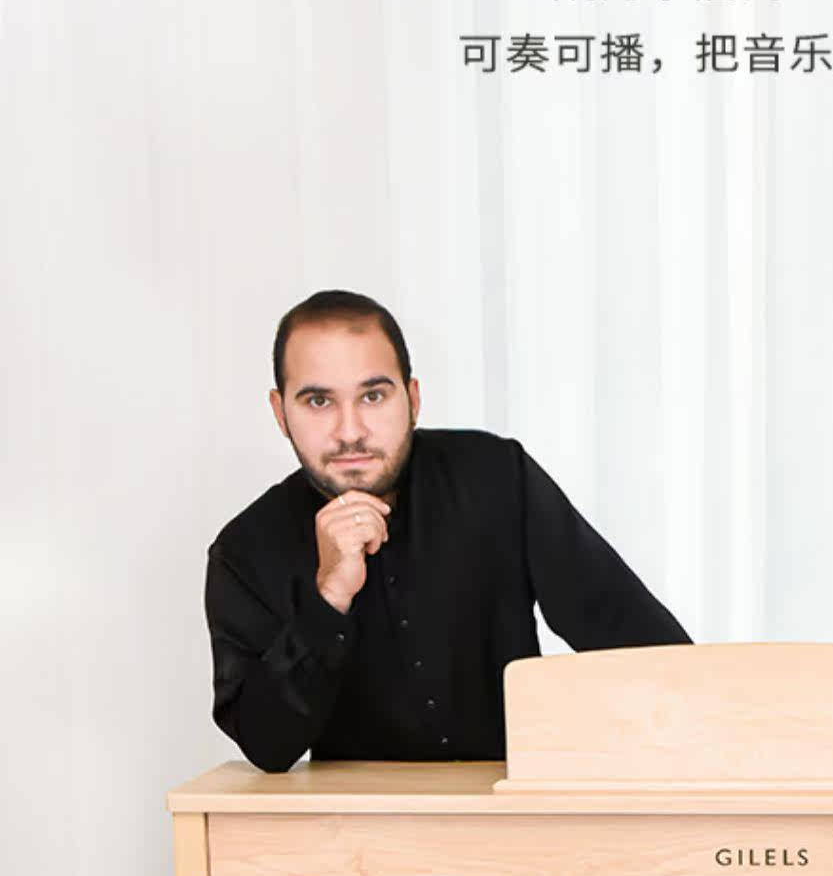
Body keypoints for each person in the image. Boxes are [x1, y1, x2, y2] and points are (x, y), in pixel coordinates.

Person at [206, 289, 691, 770]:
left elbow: (635, 639)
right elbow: (266, 745)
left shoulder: (498, 477)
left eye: (373, 396)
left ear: (413, 399)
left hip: (511, 805)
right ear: (280, 413)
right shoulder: (245, 550)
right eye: (318, 401)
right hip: (355, 817)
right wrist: (328, 599)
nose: (350, 431)